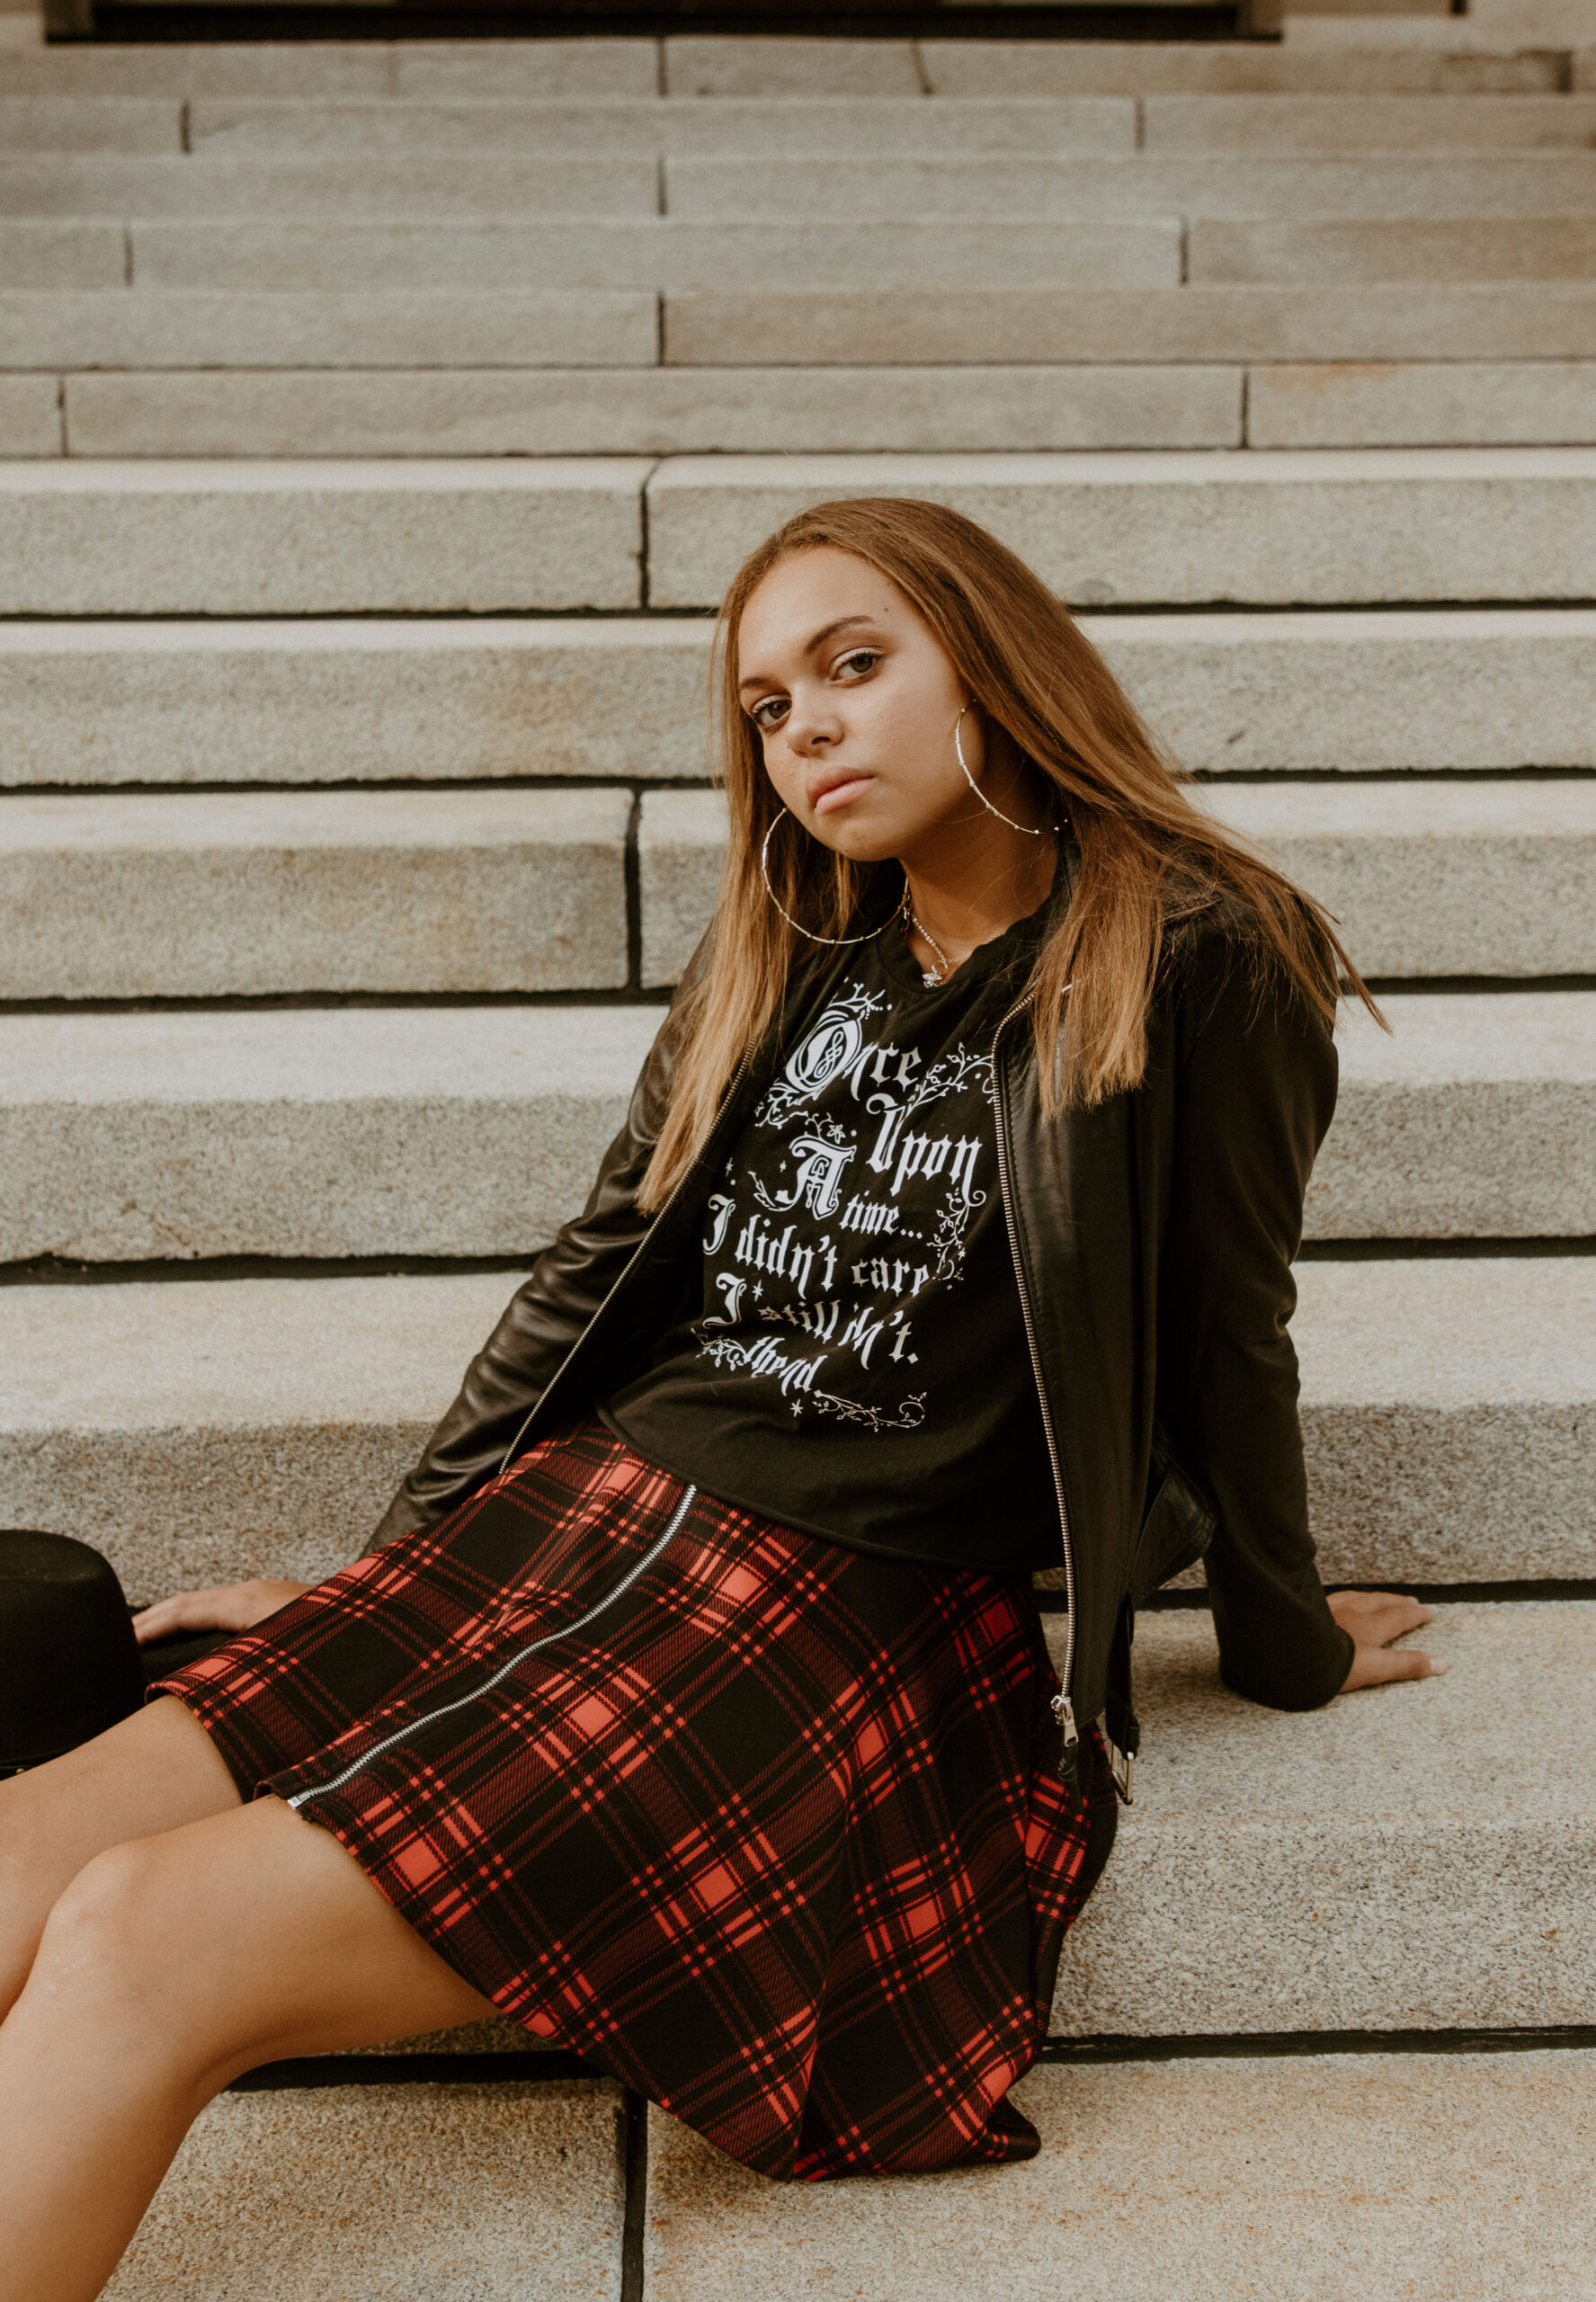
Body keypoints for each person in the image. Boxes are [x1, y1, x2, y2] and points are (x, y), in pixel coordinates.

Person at [0, 499, 1441, 2300]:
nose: (806, 728)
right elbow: (593, 1267)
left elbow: (1233, 1334)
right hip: (573, 1524)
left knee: (143, 1934)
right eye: (768, 706)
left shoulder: (1198, 952)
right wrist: (392, 1577)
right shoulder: (790, 939)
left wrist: (1278, 1636)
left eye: (856, 664)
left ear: (996, 667)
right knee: (27, 1848)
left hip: (818, 1606)